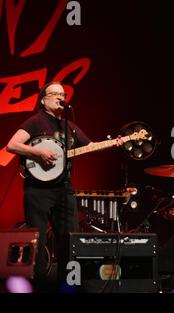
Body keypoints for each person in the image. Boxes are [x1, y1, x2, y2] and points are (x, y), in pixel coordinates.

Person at [6, 81, 123, 289]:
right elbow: (12, 145)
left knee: (70, 239)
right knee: (38, 240)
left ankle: (68, 286)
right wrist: (38, 152)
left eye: (63, 94)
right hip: (38, 191)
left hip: (63, 189)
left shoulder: (70, 126)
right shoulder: (35, 122)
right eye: (55, 94)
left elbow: (91, 146)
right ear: (43, 100)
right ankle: (39, 286)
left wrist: (115, 143)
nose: (61, 97)